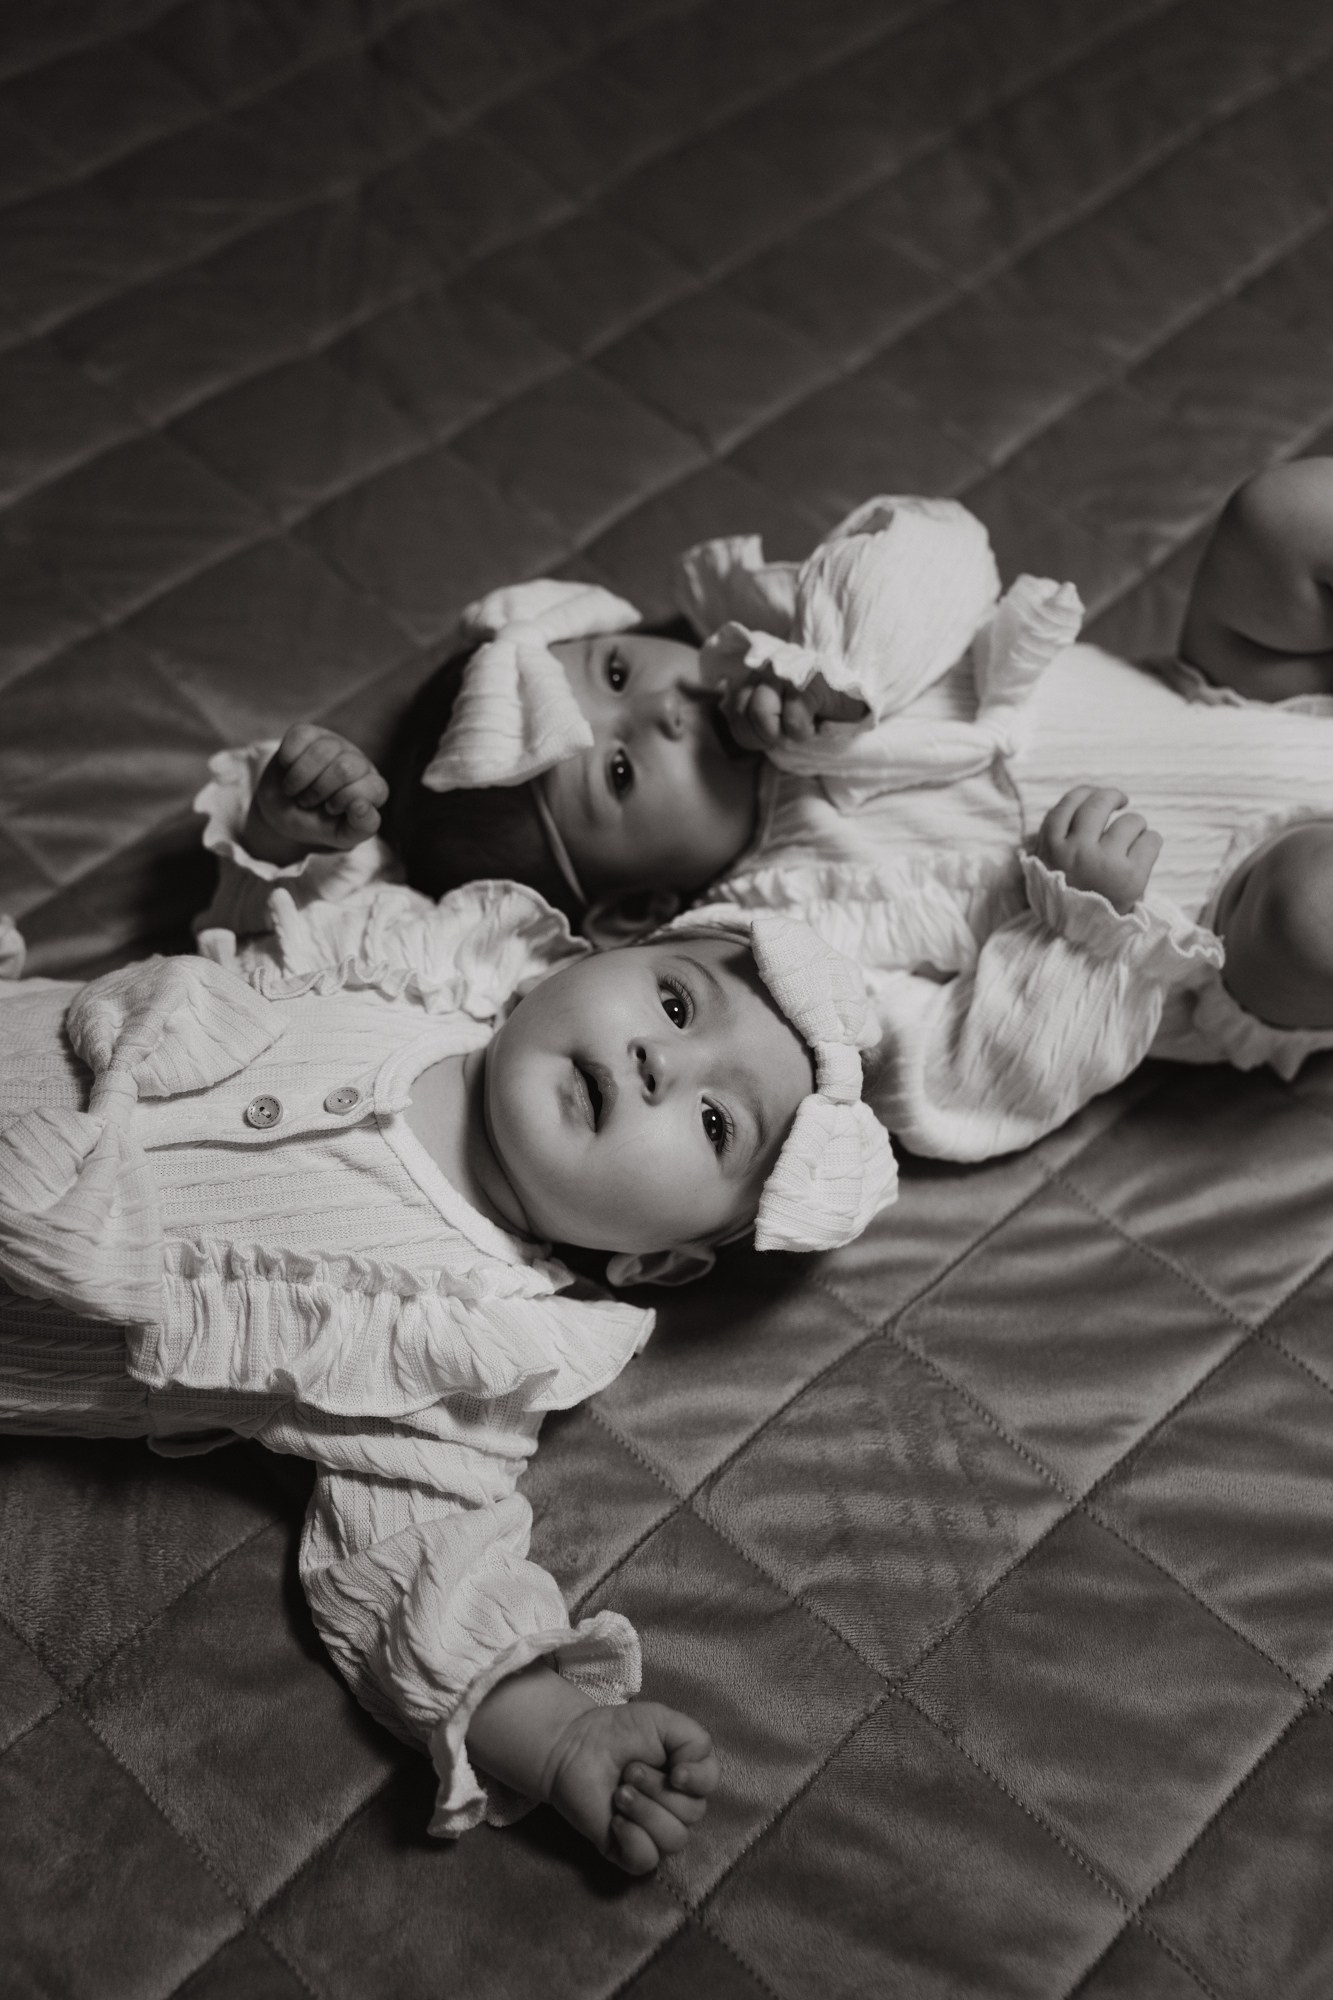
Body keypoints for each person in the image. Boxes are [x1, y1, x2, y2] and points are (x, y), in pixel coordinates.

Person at [0, 883, 895, 1875]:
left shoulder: (459, 1337)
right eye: (675, 1002)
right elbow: (258, 916)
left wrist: (556, 1732)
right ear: (587, 962)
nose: (660, 1061)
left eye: (716, 1122)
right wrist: (287, 829)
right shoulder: (402, 972)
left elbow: (424, 1556)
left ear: (654, 1263)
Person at [195, 461, 1333, 1160]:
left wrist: (851, 656)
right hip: (1235, 911)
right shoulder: (783, 944)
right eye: (620, 776)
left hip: (1241, 699)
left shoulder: (791, 629)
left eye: (615, 673)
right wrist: (1072, 933)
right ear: (633, 906)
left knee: (1280, 520)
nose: (659, 714)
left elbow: (946, 541)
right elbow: (954, 1081)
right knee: (1308, 917)